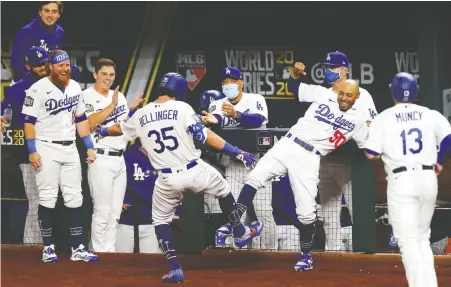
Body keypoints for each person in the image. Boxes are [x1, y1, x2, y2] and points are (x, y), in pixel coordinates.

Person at [94, 72, 261, 283]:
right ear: (180, 91)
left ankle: (174, 268)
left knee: (160, 220)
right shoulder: (182, 108)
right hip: (195, 170)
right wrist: (238, 152)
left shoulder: (141, 114)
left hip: (166, 179)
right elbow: (205, 136)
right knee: (225, 191)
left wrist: (102, 130)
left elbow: (120, 128)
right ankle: (238, 230)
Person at [236, 59, 370, 271]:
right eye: (341, 93)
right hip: (288, 143)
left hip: (310, 157)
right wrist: (295, 75)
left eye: (349, 95)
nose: (343, 98)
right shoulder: (324, 94)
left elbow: (369, 149)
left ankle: (306, 255)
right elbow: (294, 87)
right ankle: (236, 225)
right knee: (254, 177)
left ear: (357, 97)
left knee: (306, 212)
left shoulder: (359, 121)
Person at [364, 72, 451, 287]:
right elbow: (449, 138)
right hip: (428, 179)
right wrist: (439, 161)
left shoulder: (383, 118)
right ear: (416, 92)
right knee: (422, 237)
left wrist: (370, 131)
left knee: (408, 242)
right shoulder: (430, 114)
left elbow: (371, 154)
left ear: (392, 91)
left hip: (402, 181)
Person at [21, 49, 98, 263]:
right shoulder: (37, 89)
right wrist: (32, 149)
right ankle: (48, 247)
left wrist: (89, 146)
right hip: (46, 147)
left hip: (70, 147)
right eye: (60, 65)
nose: (65, 68)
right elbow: (28, 121)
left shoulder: (74, 87)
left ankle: (77, 247)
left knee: (75, 197)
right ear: (51, 67)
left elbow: (81, 118)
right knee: (48, 197)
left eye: (67, 65)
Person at [201, 67, 276, 250]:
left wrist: (236, 115)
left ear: (241, 83)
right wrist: (215, 120)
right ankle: (235, 253)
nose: (228, 85)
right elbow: (217, 117)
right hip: (234, 164)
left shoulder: (256, 99)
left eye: (232, 81)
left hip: (259, 164)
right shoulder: (217, 103)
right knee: (235, 213)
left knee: (264, 211)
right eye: (225, 82)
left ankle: (271, 252)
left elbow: (257, 120)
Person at [314, 51, 378, 252]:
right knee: (329, 219)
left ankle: (365, 260)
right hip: (326, 161)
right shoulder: (324, 95)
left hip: (352, 164)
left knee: (358, 215)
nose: (328, 72)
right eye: (327, 68)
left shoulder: (361, 94)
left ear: (344, 70)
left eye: (332, 68)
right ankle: (334, 265)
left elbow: (372, 125)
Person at [82, 58, 143, 252]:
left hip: (119, 157)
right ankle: (99, 251)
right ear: (95, 75)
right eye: (104, 74)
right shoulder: (86, 96)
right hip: (100, 157)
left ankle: (109, 251)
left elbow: (122, 126)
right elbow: (90, 124)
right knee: (102, 210)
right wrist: (111, 105)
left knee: (115, 211)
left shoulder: (120, 97)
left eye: (111, 75)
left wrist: (131, 110)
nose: (108, 78)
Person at [1, 46, 49, 244]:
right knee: (35, 200)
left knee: (49, 200)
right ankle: (34, 244)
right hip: (27, 153)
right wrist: (2, 117)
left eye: (44, 64)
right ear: (28, 66)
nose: (42, 68)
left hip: (54, 149)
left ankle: (46, 242)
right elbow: (6, 113)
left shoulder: (56, 86)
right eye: (37, 65)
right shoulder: (16, 90)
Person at [115, 139, 162, 253]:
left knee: (152, 263)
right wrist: (118, 200)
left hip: (153, 220)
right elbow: (115, 180)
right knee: (120, 261)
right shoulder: (128, 156)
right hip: (126, 219)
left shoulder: (164, 158)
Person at [11, 1, 65, 82]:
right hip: (24, 83)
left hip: (47, 83)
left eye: (54, 12)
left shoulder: (60, 32)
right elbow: (16, 63)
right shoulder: (27, 31)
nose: (50, 15)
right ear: (40, 12)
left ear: (58, 15)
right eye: (46, 11)